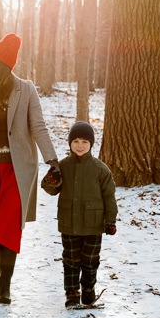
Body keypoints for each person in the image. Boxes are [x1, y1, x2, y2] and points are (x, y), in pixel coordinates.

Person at [0, 33, 59, 305]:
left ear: (3, 63)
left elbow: (38, 127)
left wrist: (52, 160)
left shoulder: (26, 89)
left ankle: (5, 286)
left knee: (8, 226)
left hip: (18, 170)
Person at [41, 121, 118, 308]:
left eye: (84, 141)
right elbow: (49, 189)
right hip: (69, 223)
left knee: (91, 260)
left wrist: (110, 221)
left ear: (91, 144)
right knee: (71, 260)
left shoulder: (100, 169)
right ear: (70, 143)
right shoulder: (63, 166)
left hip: (94, 224)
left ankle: (88, 288)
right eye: (75, 141)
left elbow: (109, 196)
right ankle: (72, 292)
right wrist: (52, 180)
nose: (80, 145)